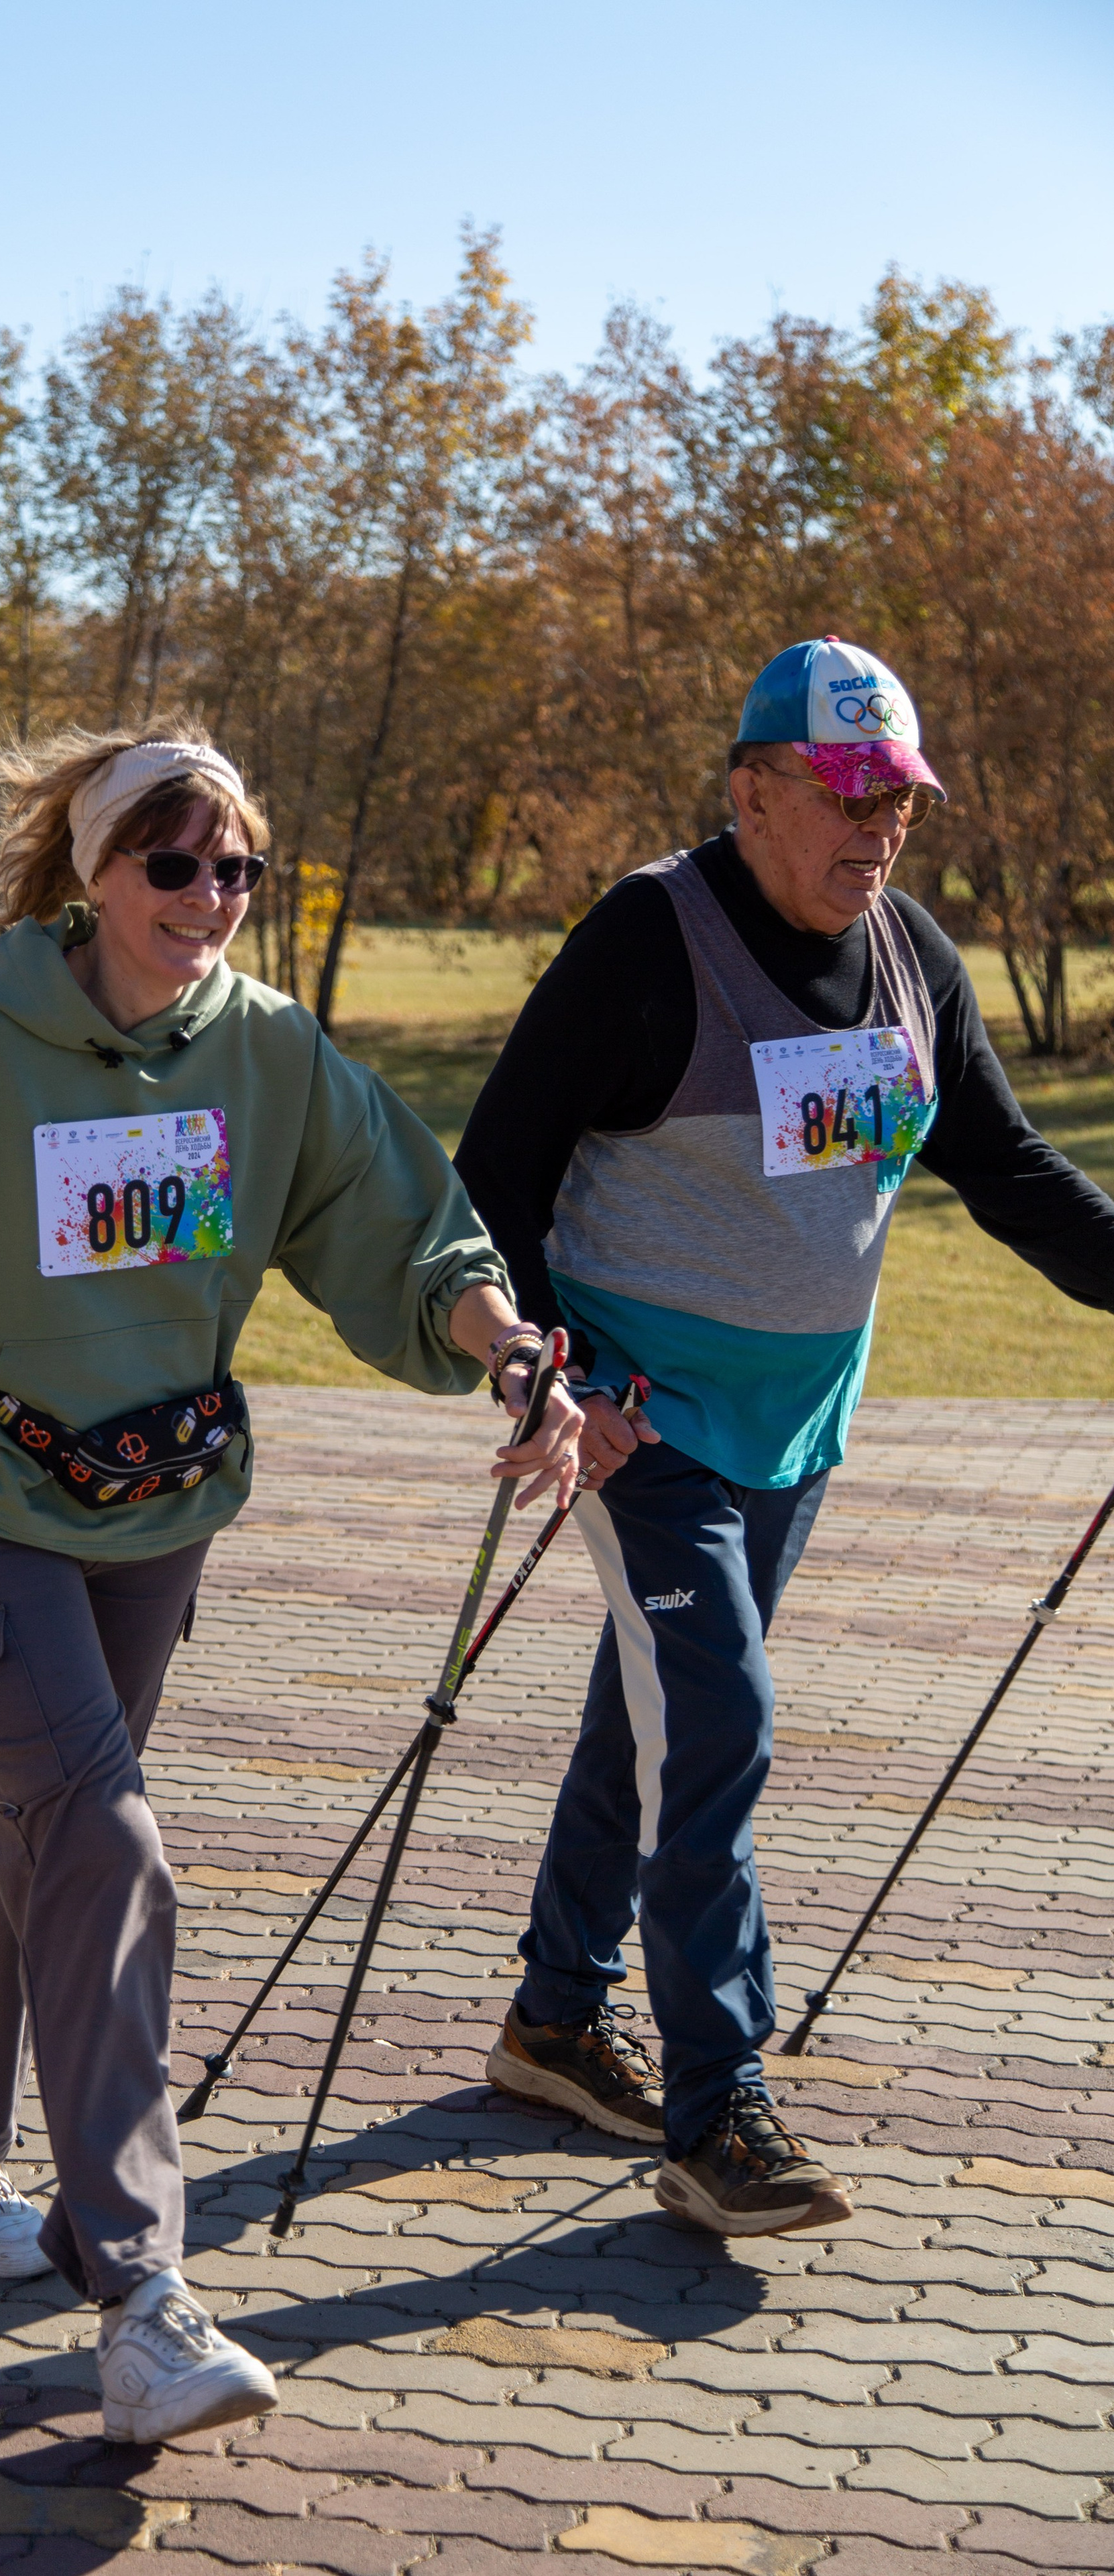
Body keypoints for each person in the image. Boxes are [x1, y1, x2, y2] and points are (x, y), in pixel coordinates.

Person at [0, 721, 582, 2441]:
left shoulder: (265, 1050)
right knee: (100, 1838)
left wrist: (506, 1349)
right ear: (95, 873)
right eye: (170, 864)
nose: (206, 896)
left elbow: (407, 1225)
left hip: (154, 1512)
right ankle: (145, 2298)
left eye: (234, 867)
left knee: (32, 1828)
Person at [455, 636, 1114, 2237]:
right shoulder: (648, 938)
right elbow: (493, 1171)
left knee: (655, 1713)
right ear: (749, 792)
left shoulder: (907, 957)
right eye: (844, 792)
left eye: (898, 797)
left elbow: (1004, 1168)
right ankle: (715, 2113)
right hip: (640, 1423)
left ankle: (551, 2020)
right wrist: (546, 1379)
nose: (877, 826)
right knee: (717, 1718)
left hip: (794, 1424)